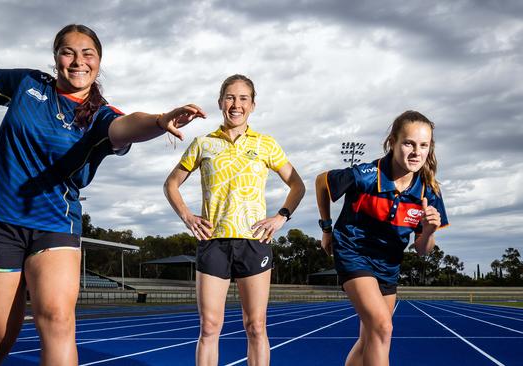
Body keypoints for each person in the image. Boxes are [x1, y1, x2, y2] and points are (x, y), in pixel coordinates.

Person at [0, 24, 205, 366]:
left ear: (99, 61)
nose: (78, 61)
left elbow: (127, 124)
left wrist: (160, 120)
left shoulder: (100, 116)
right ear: (56, 59)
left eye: (88, 54)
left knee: (58, 320)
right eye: (68, 52)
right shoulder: (28, 84)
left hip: (54, 222)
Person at [164, 74, 305, 365]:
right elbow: (171, 184)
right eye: (230, 97)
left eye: (243, 98)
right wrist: (187, 216)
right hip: (213, 242)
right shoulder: (203, 143)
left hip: (254, 242)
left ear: (252, 105)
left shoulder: (266, 144)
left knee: (256, 327)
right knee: (209, 328)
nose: (236, 104)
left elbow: (297, 185)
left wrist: (281, 217)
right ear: (220, 103)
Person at [314, 110, 448, 366]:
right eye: (409, 143)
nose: (416, 152)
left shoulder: (429, 191)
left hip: (388, 264)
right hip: (354, 252)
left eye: (424, 145)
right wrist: (327, 228)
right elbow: (322, 182)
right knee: (383, 328)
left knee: (370, 338)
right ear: (393, 142)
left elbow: (422, 250)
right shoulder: (366, 175)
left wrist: (429, 231)